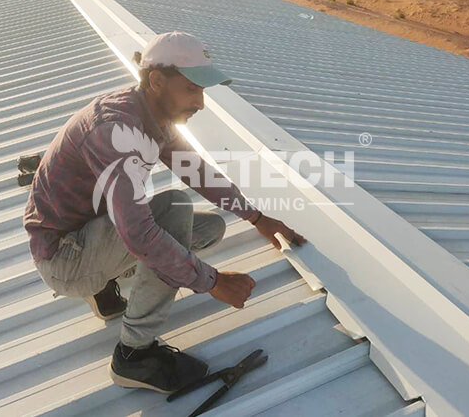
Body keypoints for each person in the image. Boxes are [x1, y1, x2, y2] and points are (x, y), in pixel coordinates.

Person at [23, 31, 306, 393]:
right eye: (191, 89)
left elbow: (197, 172)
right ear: (156, 81)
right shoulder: (115, 129)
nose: (200, 103)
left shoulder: (151, 114)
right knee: (173, 212)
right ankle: (133, 355)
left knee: (208, 229)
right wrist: (213, 282)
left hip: (86, 234)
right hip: (64, 258)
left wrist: (258, 218)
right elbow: (139, 236)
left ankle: (103, 288)